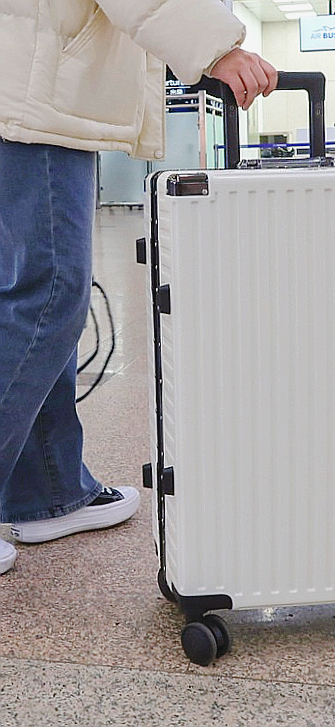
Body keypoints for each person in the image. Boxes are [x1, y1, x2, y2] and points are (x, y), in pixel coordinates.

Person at [0, 0, 277, 574]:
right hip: (34, 86)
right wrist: (215, 48)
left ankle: (47, 489)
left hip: (29, 79)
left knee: (34, 296)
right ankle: (45, 488)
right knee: (47, 295)